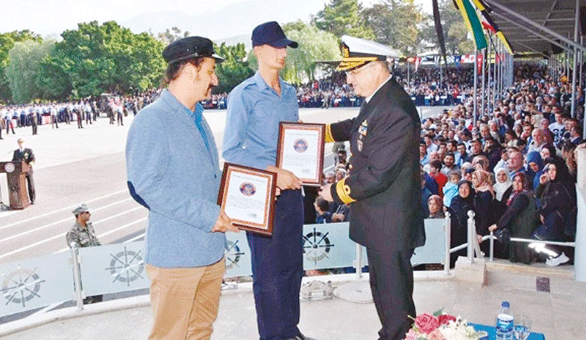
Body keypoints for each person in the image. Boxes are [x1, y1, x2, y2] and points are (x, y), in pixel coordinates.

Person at [126, 36, 238, 340]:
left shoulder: (197, 117)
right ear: (190, 70)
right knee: (171, 335)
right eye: (210, 70)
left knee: (201, 331)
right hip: (176, 258)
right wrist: (208, 216)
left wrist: (241, 198)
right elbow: (146, 186)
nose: (215, 79)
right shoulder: (152, 120)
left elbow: (206, 176)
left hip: (210, 251)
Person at [320, 36, 425, 340]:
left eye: (354, 72)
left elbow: (378, 174)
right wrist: (320, 133)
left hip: (389, 220)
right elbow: (360, 125)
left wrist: (335, 191)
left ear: (376, 68)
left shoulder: (394, 109)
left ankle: (397, 336)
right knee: (384, 289)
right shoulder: (381, 99)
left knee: (394, 297)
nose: (348, 79)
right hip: (381, 219)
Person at [222, 21, 312, 340]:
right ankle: (273, 336)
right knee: (268, 274)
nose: (283, 52)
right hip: (262, 196)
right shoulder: (243, 95)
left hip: (292, 192)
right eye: (276, 47)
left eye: (285, 46)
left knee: (292, 266)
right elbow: (231, 151)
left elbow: (291, 139)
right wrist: (274, 172)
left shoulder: (289, 93)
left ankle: (290, 329)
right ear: (258, 50)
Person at [489, 173, 539, 263]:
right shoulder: (517, 195)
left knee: (521, 256)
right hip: (520, 230)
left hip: (522, 231)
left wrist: (498, 225)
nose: (516, 183)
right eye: (515, 181)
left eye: (520, 181)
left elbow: (511, 212)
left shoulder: (523, 196)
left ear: (525, 183)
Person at [66, 203, 103, 303]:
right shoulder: (73, 233)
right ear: (80, 214)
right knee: (87, 300)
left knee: (99, 296)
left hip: (95, 267)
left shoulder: (90, 227)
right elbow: (76, 252)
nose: (89, 214)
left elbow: (96, 242)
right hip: (84, 271)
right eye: (87, 212)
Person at [12, 138, 36, 204]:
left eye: (22, 143)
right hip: (20, 172)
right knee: (21, 186)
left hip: (28, 170)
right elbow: (14, 161)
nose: (21, 144)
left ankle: (32, 199)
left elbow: (33, 159)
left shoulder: (29, 150)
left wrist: (30, 165)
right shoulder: (16, 152)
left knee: (31, 185)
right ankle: (22, 199)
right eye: (19, 143)